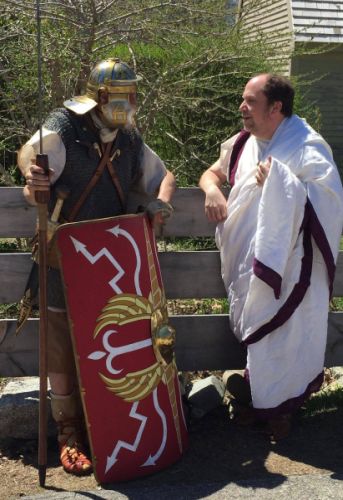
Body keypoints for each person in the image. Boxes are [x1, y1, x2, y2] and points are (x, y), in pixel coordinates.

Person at [17, 58, 176, 475]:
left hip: (114, 265)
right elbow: (33, 152)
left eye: (133, 94)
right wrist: (34, 177)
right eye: (122, 95)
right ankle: (69, 433)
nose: (131, 102)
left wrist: (159, 202)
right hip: (61, 258)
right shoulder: (66, 126)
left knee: (115, 342)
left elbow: (162, 176)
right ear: (100, 96)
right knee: (61, 350)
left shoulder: (129, 137)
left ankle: (109, 426)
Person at [199, 73, 343, 440]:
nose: (242, 108)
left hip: (295, 266)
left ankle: (284, 409)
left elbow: (327, 200)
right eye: (243, 100)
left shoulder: (307, 147)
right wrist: (213, 190)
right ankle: (261, 402)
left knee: (289, 335)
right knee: (260, 336)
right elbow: (211, 173)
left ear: (275, 107)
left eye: (250, 101)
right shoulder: (242, 144)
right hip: (251, 261)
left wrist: (282, 184)